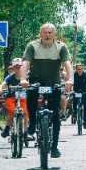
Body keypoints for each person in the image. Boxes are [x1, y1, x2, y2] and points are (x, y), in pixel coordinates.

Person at [18, 23, 72, 159]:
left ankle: (54, 147)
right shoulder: (32, 46)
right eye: (44, 33)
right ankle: (32, 124)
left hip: (54, 82)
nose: (47, 35)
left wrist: (70, 80)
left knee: (56, 114)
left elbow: (67, 64)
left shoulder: (61, 47)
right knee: (31, 95)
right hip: (36, 80)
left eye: (50, 33)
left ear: (54, 34)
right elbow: (25, 63)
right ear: (40, 34)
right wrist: (23, 79)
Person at [0, 59, 25, 139]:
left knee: (26, 111)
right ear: (13, 68)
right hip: (11, 97)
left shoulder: (25, 76)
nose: (18, 69)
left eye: (19, 67)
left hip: (22, 97)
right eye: (15, 67)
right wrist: (0, 89)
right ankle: (7, 127)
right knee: (11, 110)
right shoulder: (10, 76)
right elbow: (3, 83)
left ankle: (26, 131)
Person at [72, 62, 86, 127]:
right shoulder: (74, 74)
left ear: (83, 69)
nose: (80, 70)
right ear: (76, 69)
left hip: (84, 92)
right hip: (76, 91)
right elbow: (71, 82)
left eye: (81, 69)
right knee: (74, 102)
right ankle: (74, 113)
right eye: (78, 69)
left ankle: (85, 121)